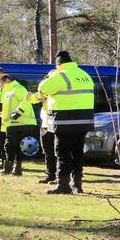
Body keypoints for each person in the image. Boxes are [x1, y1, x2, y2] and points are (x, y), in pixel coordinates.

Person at [37, 50, 95, 194]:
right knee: (78, 154)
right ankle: (77, 185)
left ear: (59, 64)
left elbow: (42, 88)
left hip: (65, 121)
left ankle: (63, 185)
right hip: (84, 121)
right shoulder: (84, 75)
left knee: (62, 154)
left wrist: (51, 76)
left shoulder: (60, 75)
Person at [0, 72, 37, 177]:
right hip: (14, 123)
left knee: (9, 145)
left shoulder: (17, 89)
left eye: (1, 83)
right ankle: (16, 170)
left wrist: (16, 114)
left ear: (7, 81)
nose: (0, 85)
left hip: (19, 122)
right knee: (14, 146)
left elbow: (26, 101)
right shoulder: (9, 91)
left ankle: (9, 169)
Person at [31, 70, 58, 184]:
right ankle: (50, 175)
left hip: (57, 125)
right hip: (46, 125)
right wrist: (30, 97)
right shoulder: (45, 91)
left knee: (59, 153)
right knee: (48, 153)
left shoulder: (59, 90)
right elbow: (33, 98)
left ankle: (59, 176)